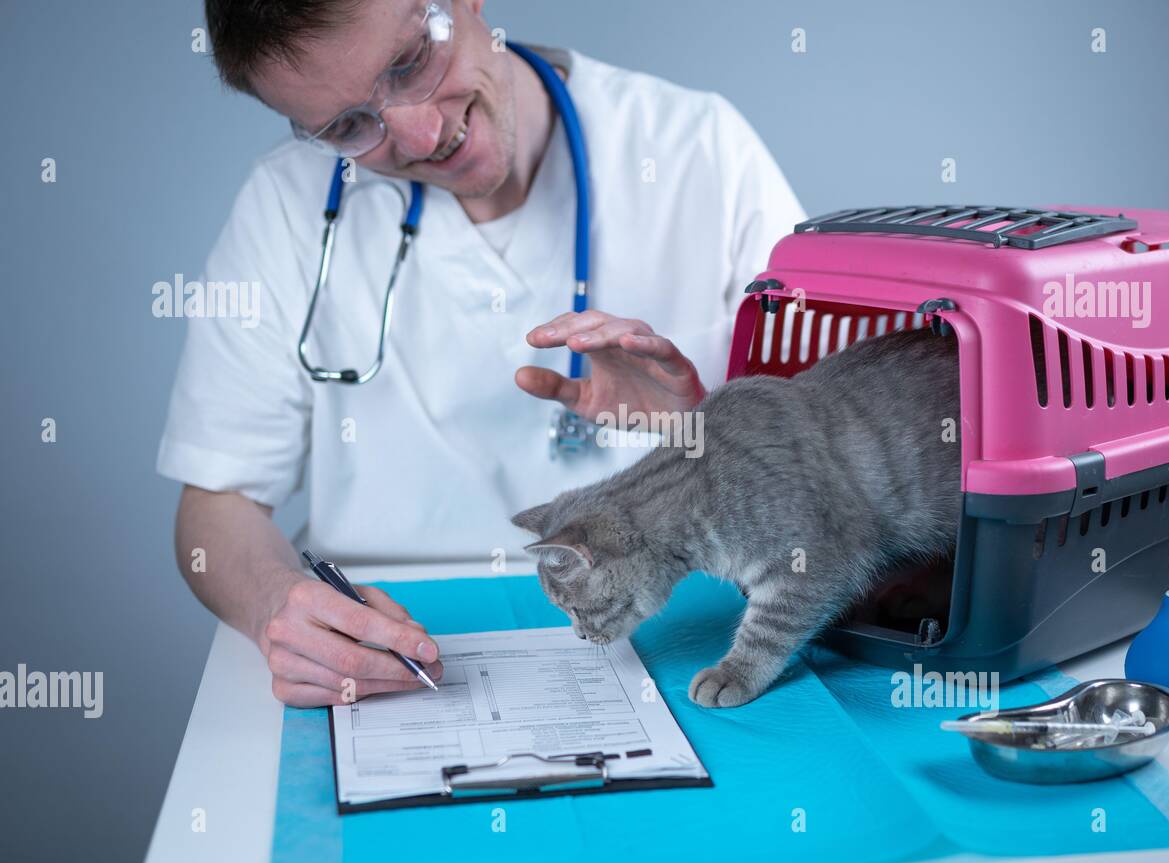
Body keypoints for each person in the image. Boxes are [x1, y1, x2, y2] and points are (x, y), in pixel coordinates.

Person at [159, 0, 805, 706]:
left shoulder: (697, 147)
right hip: (390, 654)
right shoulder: (285, 206)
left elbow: (827, 480)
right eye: (348, 126)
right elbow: (216, 502)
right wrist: (273, 602)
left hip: (685, 634)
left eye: (410, 61)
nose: (420, 133)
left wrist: (701, 430)